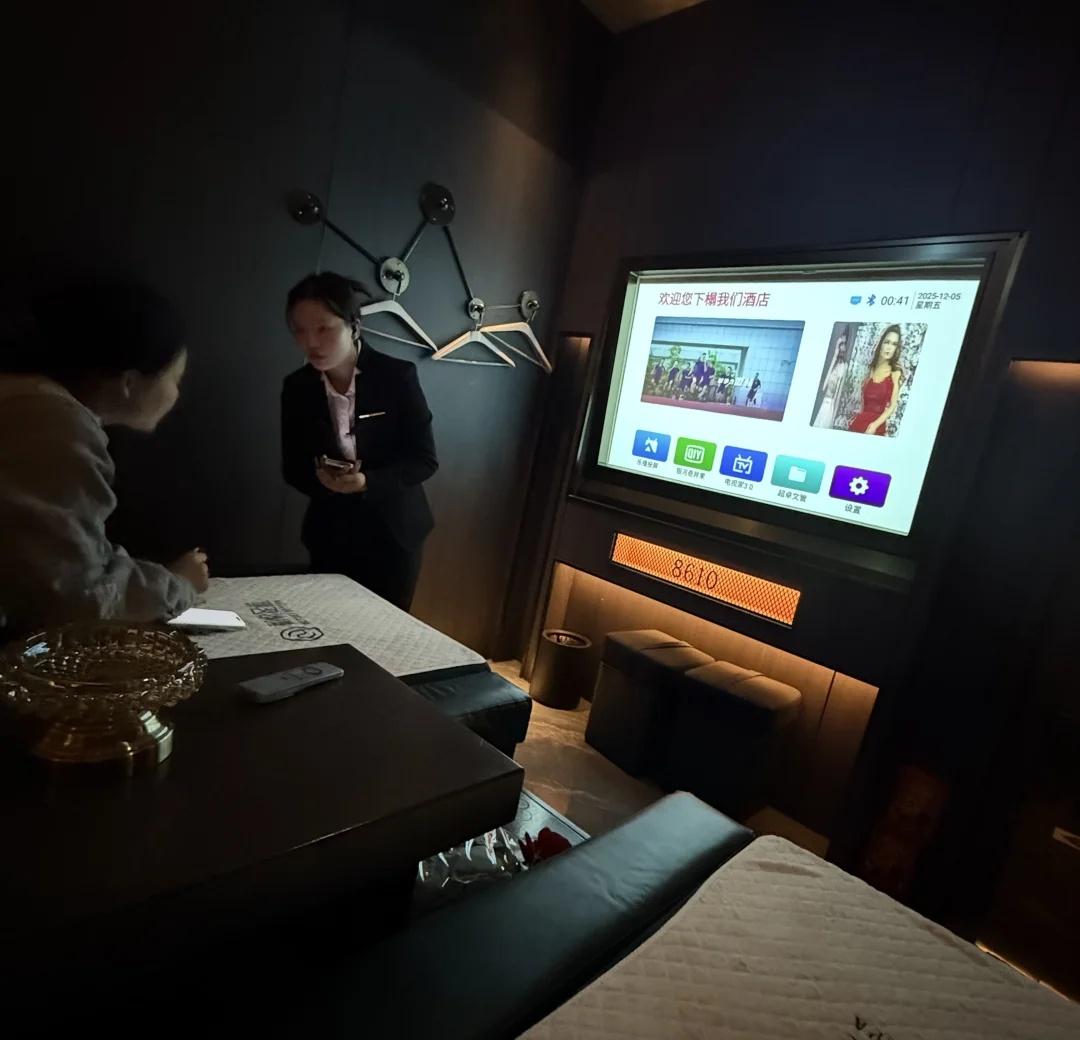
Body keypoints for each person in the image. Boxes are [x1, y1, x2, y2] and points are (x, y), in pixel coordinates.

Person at [0, 280, 208, 637]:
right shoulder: (53, 422)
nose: (177, 393)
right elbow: (74, 600)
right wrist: (179, 584)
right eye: (176, 379)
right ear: (129, 383)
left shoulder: (33, 403)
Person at [281, 272, 437, 612]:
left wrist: (367, 481)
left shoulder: (397, 376)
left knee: (385, 629)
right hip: (330, 532)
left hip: (395, 533)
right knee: (326, 624)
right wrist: (323, 480)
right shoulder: (297, 387)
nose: (311, 342)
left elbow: (424, 460)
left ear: (354, 325)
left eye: (323, 329)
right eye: (299, 331)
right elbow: (292, 467)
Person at [849, 325, 904, 436]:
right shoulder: (871, 370)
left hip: (876, 426)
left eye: (894, 344)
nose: (889, 348)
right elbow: (864, 402)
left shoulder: (895, 372)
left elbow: (892, 406)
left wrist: (875, 425)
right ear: (881, 343)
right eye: (887, 342)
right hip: (859, 423)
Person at [812, 332, 849, 429]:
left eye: (844, 344)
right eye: (841, 343)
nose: (842, 347)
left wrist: (834, 410)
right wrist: (837, 346)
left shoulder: (843, 366)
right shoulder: (834, 363)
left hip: (830, 403)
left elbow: (839, 390)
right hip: (825, 400)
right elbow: (824, 386)